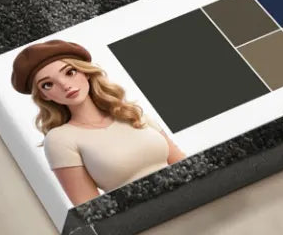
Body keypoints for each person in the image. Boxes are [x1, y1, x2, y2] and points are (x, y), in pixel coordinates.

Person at [11, 39, 186, 206]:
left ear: (85, 72)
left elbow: (188, 165)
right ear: (44, 96)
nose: (65, 85)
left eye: (70, 72)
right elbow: (93, 210)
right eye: (48, 85)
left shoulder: (131, 113)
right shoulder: (60, 140)